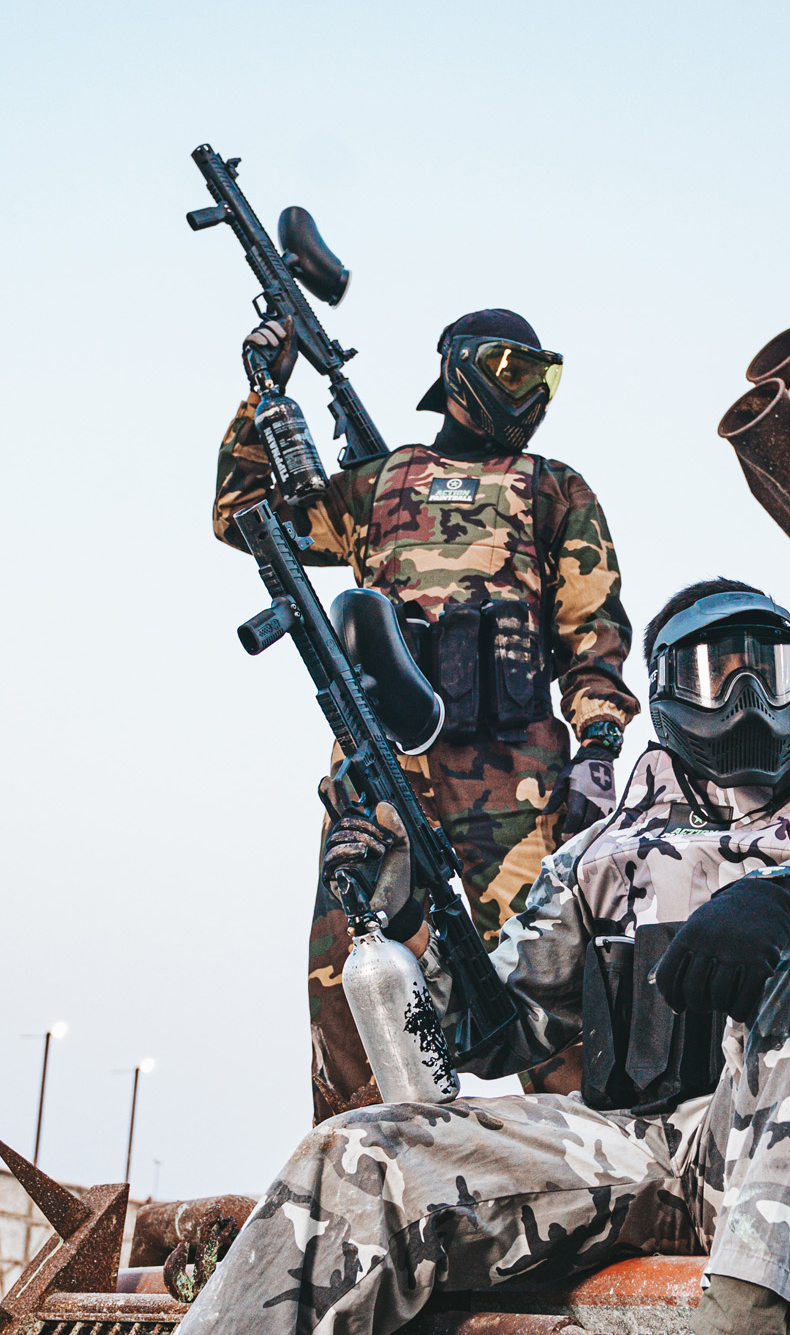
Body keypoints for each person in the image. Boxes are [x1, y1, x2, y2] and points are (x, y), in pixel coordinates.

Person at [0, 578, 790, 1335]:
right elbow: (490, 1032)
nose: (748, 701)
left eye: (770, 672)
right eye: (716, 674)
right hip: (646, 1151)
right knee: (359, 1156)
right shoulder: (601, 860)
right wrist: (403, 920)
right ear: (668, 691)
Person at [214, 307, 639, 1116]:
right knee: (357, 982)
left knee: (556, 988)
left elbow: (594, 627)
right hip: (383, 779)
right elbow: (246, 518)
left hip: (517, 784)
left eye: (540, 375)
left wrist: (598, 746)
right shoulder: (377, 485)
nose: (528, 392)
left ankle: (595, 1176)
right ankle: (361, 1172)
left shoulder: (553, 487)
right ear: (458, 368)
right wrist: (264, 392)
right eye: (510, 369)